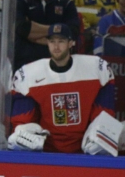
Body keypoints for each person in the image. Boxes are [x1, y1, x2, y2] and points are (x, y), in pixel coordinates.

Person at [9, 23, 116, 153]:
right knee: (19, 137)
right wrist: (24, 132)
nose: (56, 46)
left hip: (84, 151)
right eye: (52, 41)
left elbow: (104, 117)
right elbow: (22, 122)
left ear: (71, 43)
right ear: (47, 43)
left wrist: (100, 135)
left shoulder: (96, 68)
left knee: (103, 139)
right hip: (46, 152)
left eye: (61, 41)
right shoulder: (28, 74)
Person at [15, 0, 81, 70]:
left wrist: (33, 35)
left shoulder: (67, 4)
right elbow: (22, 28)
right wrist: (57, 31)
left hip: (59, 65)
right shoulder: (21, 1)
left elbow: (72, 32)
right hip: (26, 64)